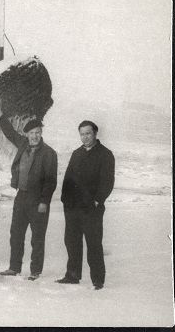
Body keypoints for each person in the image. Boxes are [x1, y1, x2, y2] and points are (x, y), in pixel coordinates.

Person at [0, 97, 58, 280]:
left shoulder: (49, 153)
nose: (35, 136)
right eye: (31, 133)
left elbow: (51, 181)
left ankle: (35, 271)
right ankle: (14, 268)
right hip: (21, 197)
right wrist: (0, 115)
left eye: (38, 132)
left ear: (41, 133)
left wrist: (44, 202)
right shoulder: (23, 144)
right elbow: (10, 133)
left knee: (37, 238)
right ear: (27, 134)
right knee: (16, 234)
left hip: (38, 200)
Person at [56, 121, 115, 290]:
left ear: (95, 134)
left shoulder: (105, 154)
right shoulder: (76, 154)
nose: (85, 137)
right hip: (73, 207)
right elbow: (67, 180)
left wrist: (97, 200)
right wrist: (65, 202)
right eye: (82, 134)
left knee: (94, 243)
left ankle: (98, 280)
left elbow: (108, 182)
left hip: (92, 208)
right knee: (72, 242)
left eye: (88, 133)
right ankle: (72, 275)